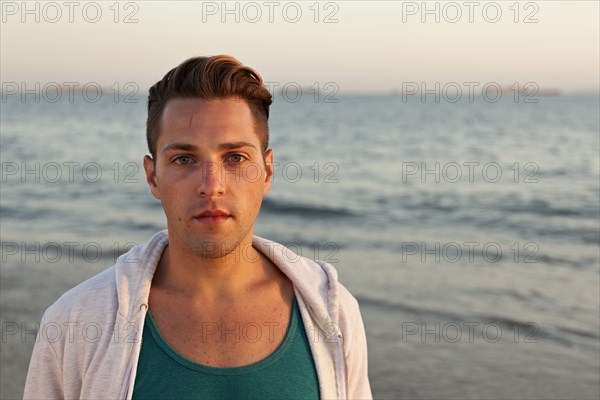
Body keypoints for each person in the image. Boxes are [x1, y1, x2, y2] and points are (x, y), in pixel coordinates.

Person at [23, 55, 372, 399]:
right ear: (152, 176)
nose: (211, 185)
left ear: (266, 172)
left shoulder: (333, 312)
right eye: (184, 159)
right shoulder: (74, 323)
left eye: (235, 157)